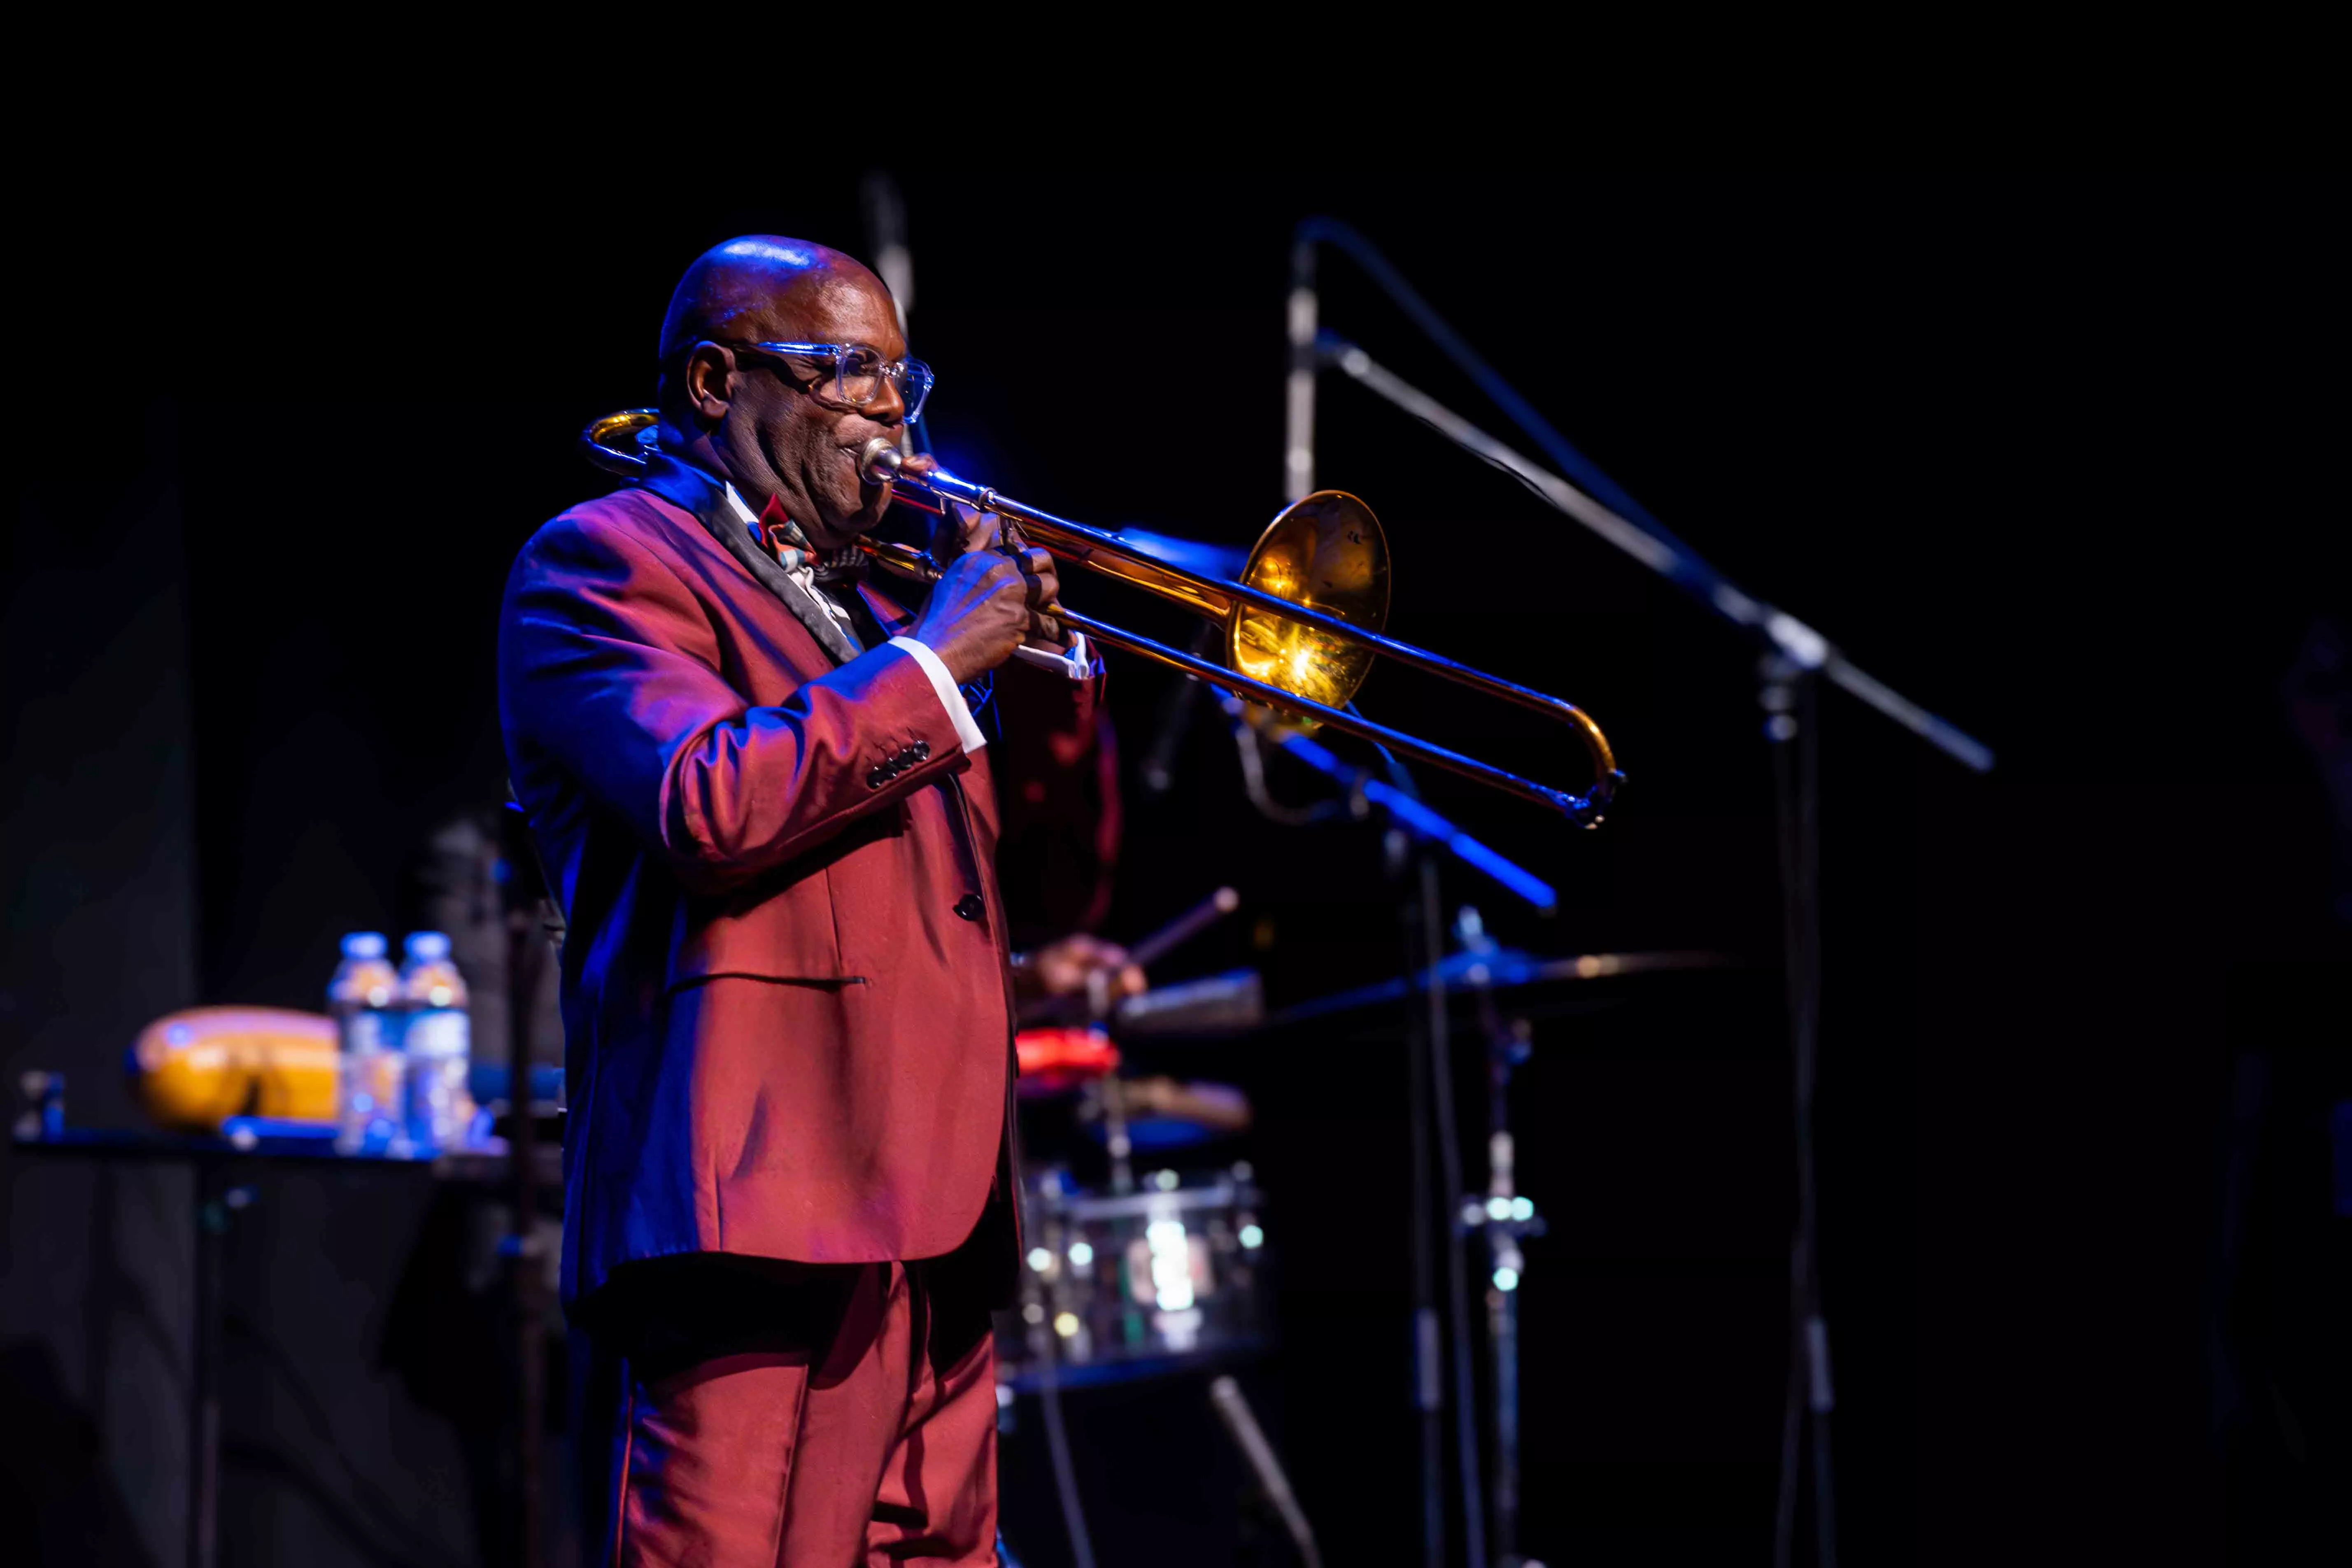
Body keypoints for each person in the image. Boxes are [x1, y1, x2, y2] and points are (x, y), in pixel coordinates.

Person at [499, 235, 1130, 1565]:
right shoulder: (604, 564)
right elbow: (705, 800)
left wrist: (1053, 698)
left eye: (903, 379)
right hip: (757, 1207)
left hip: (936, 1217)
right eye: (848, 374)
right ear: (720, 380)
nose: (889, 417)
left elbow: (1041, 893)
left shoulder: (874, 608)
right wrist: (935, 657)